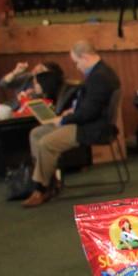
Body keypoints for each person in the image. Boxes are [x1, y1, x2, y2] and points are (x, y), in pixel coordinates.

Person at [22, 41, 121, 207]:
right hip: (87, 123)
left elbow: (89, 113)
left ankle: (41, 188)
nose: (77, 67)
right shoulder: (100, 73)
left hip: (92, 128)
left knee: (46, 143)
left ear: (85, 57)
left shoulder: (100, 77)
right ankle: (51, 181)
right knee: (36, 134)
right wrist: (71, 113)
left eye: (77, 62)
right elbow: (89, 107)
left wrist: (63, 120)